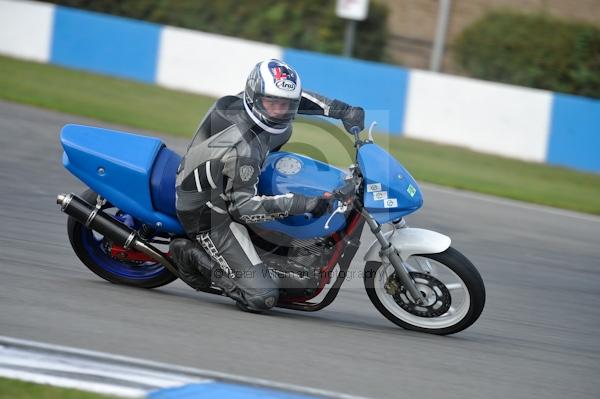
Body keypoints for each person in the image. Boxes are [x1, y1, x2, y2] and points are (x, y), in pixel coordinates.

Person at [170, 59, 364, 311]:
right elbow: (243, 208)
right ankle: (187, 254)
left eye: (286, 106)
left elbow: (299, 97)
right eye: (272, 104)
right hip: (209, 210)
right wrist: (303, 203)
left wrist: (342, 110)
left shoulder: (251, 102)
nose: (279, 111)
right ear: (254, 98)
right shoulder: (244, 148)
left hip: (233, 180)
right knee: (262, 298)